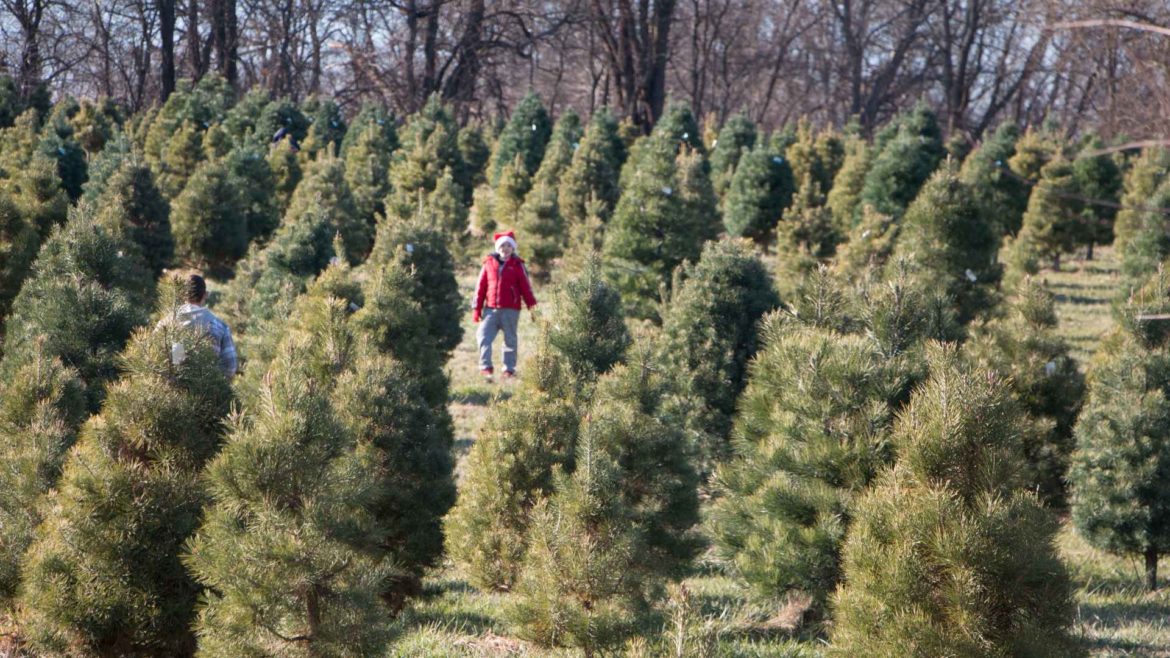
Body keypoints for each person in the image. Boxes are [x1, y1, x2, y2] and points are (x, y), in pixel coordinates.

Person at [473, 230, 537, 381]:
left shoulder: (517, 265)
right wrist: (477, 308)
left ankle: (509, 369)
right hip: (491, 309)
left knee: (510, 340)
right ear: (497, 247)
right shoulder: (488, 263)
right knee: (483, 336)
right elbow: (480, 287)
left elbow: (526, 288)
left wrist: (533, 308)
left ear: (513, 248)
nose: (505, 248)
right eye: (502, 245)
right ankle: (486, 367)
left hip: (510, 309)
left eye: (509, 245)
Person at [175, 273, 238, 377]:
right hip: (207, 389)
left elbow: (153, 358)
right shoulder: (220, 326)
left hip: (173, 389)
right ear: (205, 295)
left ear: (182, 295)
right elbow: (230, 367)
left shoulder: (168, 323)